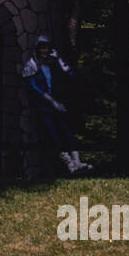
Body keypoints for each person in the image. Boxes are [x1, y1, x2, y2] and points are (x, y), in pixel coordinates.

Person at [22, 34, 92, 174]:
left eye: (46, 48)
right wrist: (51, 101)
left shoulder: (54, 63)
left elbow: (68, 75)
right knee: (52, 135)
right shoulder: (32, 65)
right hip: (44, 107)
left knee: (67, 131)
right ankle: (69, 163)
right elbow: (34, 87)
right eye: (42, 48)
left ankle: (77, 162)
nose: (44, 51)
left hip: (58, 104)